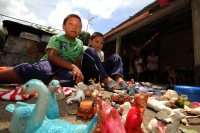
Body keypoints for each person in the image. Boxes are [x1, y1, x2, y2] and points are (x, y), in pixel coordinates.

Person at [0, 14, 84, 86]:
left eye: (78, 26)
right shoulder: (57, 38)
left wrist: (77, 72)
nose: (74, 27)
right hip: (50, 64)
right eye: (70, 24)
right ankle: (3, 76)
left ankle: (47, 82)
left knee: (71, 77)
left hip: (65, 70)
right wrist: (73, 67)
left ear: (80, 30)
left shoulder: (80, 44)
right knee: (42, 71)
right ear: (63, 26)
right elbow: (52, 57)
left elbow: (77, 64)